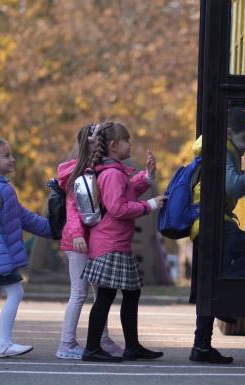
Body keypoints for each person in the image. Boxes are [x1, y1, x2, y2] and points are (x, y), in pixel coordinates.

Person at [81, 121, 165, 362]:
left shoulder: (113, 171)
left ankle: (131, 346)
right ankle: (92, 348)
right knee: (107, 296)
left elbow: (126, 192)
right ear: (114, 145)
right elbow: (118, 207)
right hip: (110, 244)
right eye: (127, 140)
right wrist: (149, 205)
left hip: (115, 243)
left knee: (131, 292)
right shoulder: (111, 174)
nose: (131, 144)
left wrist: (147, 177)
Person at [188, 107, 245, 364]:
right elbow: (231, 185)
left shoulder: (215, 149)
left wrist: (244, 178)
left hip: (206, 223)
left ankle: (201, 345)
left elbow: (226, 189)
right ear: (230, 133)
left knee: (210, 285)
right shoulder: (224, 151)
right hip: (216, 224)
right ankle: (224, 299)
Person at [0, 138, 53, 358]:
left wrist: (51, 230)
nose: (12, 159)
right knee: (16, 292)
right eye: (6, 155)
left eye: (11, 154)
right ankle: (4, 343)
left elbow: (23, 217)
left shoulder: (3, 188)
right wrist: (3, 262)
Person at [55, 124, 123, 360]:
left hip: (92, 239)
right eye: (98, 141)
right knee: (79, 292)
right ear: (90, 144)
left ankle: (101, 339)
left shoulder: (97, 169)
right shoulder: (79, 172)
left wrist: (146, 177)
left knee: (99, 293)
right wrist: (76, 235)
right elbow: (72, 208)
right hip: (78, 242)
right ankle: (66, 343)